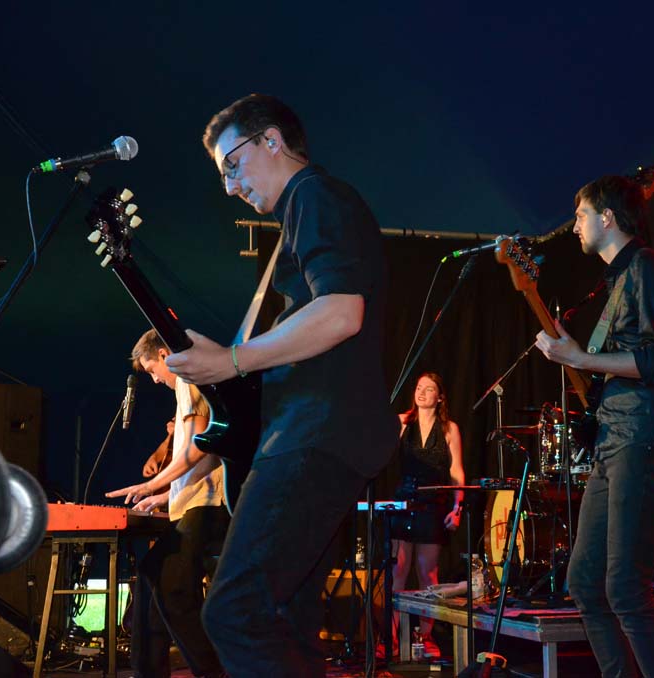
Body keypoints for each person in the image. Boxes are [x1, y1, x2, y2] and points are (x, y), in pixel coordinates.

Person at [162, 93, 397, 676]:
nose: (229, 187)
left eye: (232, 165)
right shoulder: (307, 209)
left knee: (234, 613)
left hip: (314, 433)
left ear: (271, 140)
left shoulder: (313, 195)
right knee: (285, 620)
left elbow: (341, 313)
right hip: (323, 434)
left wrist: (232, 361)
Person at [535, 175, 654, 677]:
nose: (574, 226)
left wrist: (581, 357)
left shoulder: (648, 266)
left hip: (643, 438)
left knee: (625, 586)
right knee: (585, 582)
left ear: (607, 217)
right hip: (614, 439)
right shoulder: (615, 280)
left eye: (581, 215)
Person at [106, 329, 229, 678]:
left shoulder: (188, 381)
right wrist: (162, 496)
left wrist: (152, 485)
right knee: (152, 575)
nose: (155, 379)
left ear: (164, 355)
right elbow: (202, 460)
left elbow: (200, 448)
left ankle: (214, 671)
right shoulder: (187, 387)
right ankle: (147, 670)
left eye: (151, 370)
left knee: (173, 586)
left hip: (206, 504)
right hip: (194, 501)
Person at [388, 372, 465, 658]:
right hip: (404, 500)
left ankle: (425, 637)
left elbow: (456, 470)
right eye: (419, 387)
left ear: (440, 396)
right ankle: (390, 638)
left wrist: (457, 507)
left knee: (427, 574)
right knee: (397, 571)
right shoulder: (402, 422)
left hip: (434, 504)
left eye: (428, 389)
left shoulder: (449, 429)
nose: (421, 392)